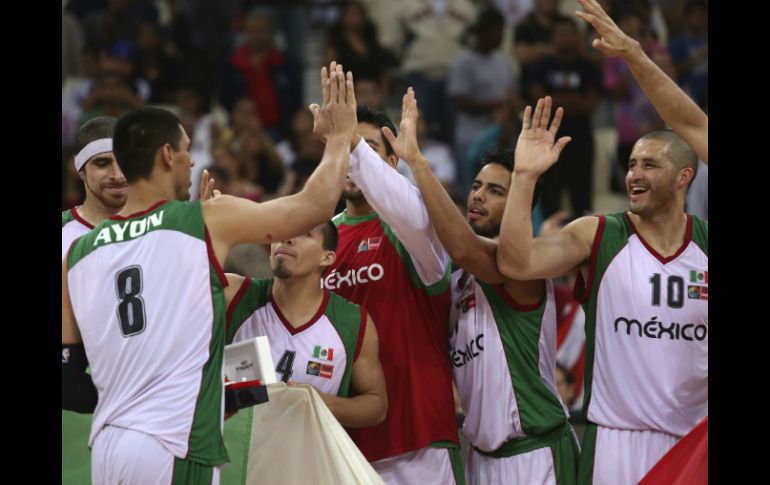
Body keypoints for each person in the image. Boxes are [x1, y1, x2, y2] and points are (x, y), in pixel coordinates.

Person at [62, 62, 359, 484]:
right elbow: (313, 207)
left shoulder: (77, 250)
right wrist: (340, 138)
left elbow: (68, 374)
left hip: (109, 446)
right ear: (168, 155)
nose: (189, 160)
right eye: (186, 150)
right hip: (174, 442)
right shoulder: (203, 218)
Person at [496, 96, 707, 485]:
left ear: (684, 177)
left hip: (692, 443)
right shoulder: (600, 233)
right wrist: (524, 176)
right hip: (614, 441)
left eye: (649, 164)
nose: (634, 175)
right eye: (631, 165)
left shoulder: (706, 246)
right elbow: (515, 263)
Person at [389, 88, 578, 484]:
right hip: (480, 457)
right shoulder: (457, 280)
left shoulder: (520, 267)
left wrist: (416, 161)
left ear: (520, 208)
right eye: (477, 186)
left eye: (496, 191)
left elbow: (460, 245)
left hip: (534, 453)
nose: (478, 195)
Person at [324, 102, 461, 484]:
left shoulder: (415, 228)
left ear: (392, 163)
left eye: (365, 150)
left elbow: (408, 210)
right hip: (346, 443)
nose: (353, 162)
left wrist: (349, 141)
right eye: (347, 151)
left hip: (419, 440)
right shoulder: (320, 239)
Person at [224, 220, 387, 428]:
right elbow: (180, 283)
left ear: (326, 257)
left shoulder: (352, 321)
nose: (287, 238)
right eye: (283, 230)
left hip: (308, 456)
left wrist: (320, 402)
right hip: (236, 456)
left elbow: (376, 405)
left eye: (305, 234)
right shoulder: (233, 293)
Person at [575, 0, 708, 163]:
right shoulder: (612, 57)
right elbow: (615, 93)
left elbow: (675, 100)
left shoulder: (658, 51)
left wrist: (633, 53)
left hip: (666, 130)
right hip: (630, 131)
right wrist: (631, 55)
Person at [61, 116, 127, 262]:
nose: (118, 175)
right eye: (103, 163)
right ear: (80, 169)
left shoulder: (162, 227)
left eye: (124, 161)